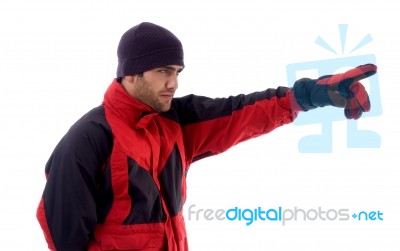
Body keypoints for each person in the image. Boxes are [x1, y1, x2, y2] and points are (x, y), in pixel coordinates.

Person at [36, 22, 377, 251]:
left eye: (178, 72)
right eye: (163, 71)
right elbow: (63, 233)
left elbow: (240, 113)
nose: (174, 83)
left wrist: (307, 96)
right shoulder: (90, 138)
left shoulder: (175, 122)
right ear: (131, 73)